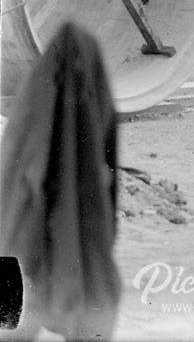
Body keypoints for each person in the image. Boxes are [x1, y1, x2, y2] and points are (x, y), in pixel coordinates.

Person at [0, 23, 120, 340]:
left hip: (22, 251)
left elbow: (13, 195)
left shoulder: (28, 118)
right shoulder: (93, 114)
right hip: (72, 251)